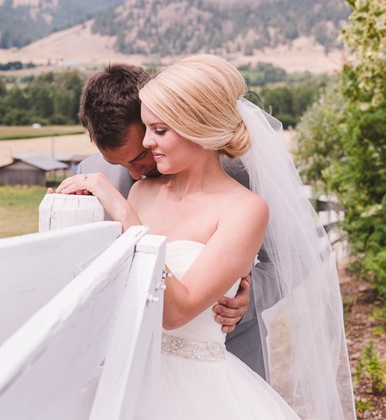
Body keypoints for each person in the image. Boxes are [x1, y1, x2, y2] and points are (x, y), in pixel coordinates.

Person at [57, 55, 355, 419]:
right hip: (133, 368)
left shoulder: (247, 178)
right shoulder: (105, 179)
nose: (135, 173)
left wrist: (244, 295)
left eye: (153, 137)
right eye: (121, 165)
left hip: (220, 359)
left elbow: (298, 253)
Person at [76, 63, 275, 379]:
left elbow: (294, 258)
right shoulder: (134, 187)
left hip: (217, 363)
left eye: (158, 130)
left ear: (193, 126)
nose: (145, 149)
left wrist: (239, 299)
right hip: (135, 370)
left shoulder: (247, 190)